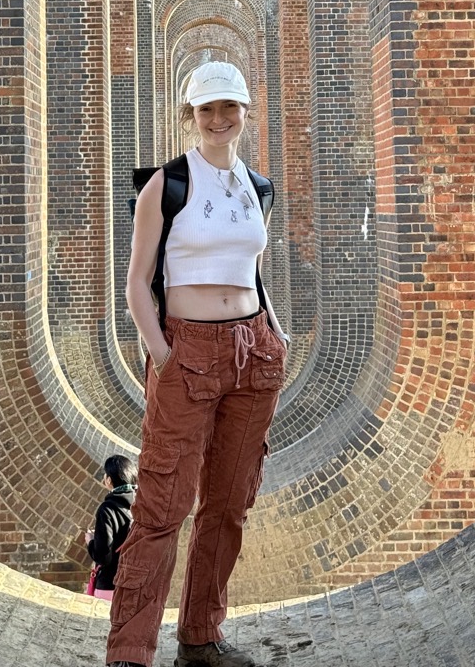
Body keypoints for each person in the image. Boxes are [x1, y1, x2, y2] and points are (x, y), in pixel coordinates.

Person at [107, 60, 289, 667]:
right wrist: (162, 352)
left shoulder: (257, 187)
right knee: (161, 507)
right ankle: (130, 652)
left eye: (228, 108)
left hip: (254, 353)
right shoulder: (167, 184)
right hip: (188, 352)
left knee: (229, 505)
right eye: (207, 109)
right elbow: (136, 281)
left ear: (243, 113)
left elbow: (252, 269)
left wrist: (275, 332)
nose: (218, 119)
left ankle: (201, 638)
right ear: (191, 116)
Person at [85, 454, 138, 600]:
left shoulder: (107, 509)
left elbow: (103, 556)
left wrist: (90, 541)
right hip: (135, 584)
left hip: (110, 585)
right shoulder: (141, 506)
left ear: (109, 480)